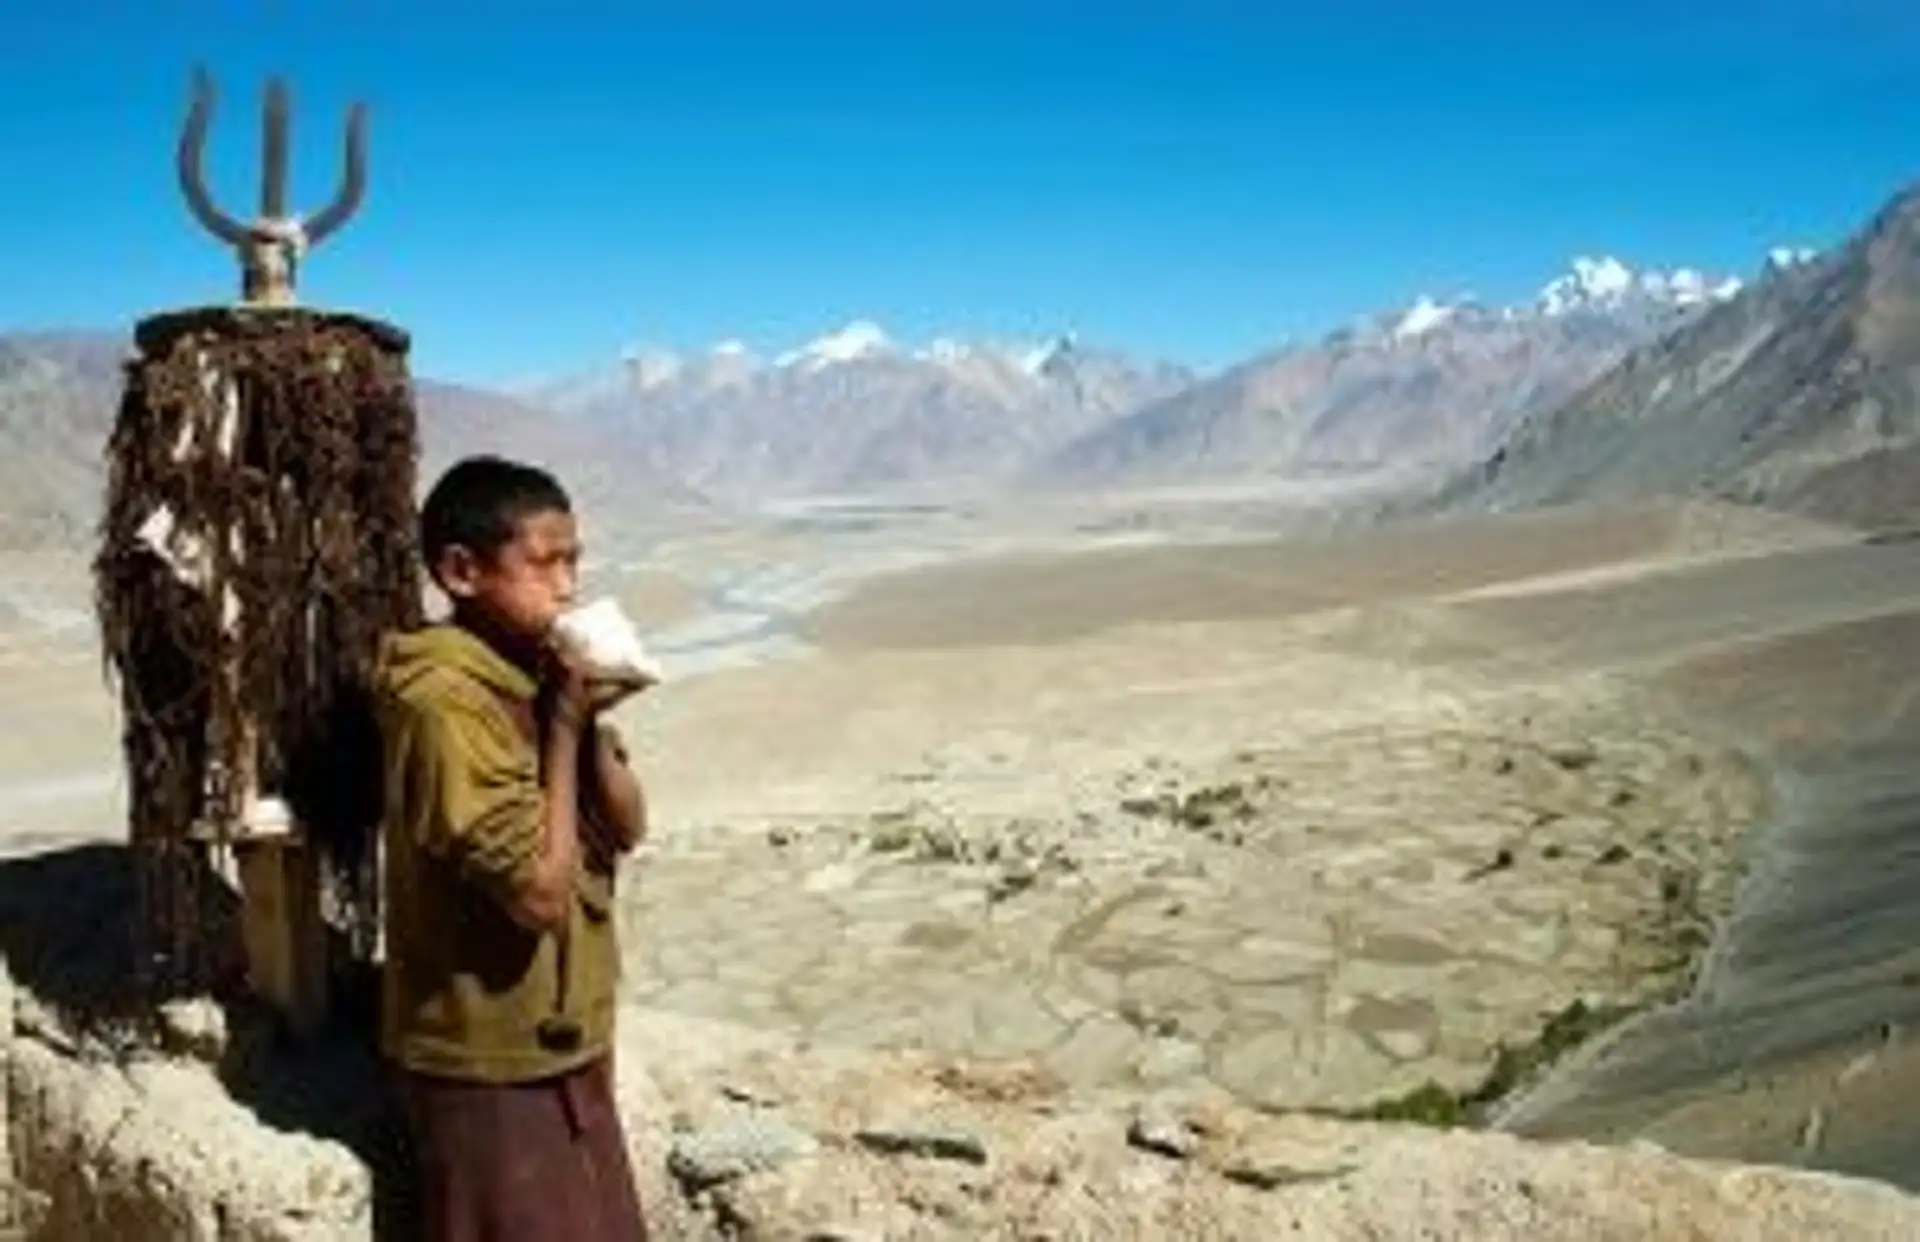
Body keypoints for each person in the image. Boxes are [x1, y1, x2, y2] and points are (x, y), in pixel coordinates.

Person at [372, 454, 652, 1241]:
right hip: (490, 1058)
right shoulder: (444, 705)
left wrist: (588, 719)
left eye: (574, 562)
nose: (566, 586)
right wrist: (561, 729)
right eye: (543, 562)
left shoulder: (533, 671)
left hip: (560, 1042)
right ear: (461, 571)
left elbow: (627, 825)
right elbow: (536, 894)